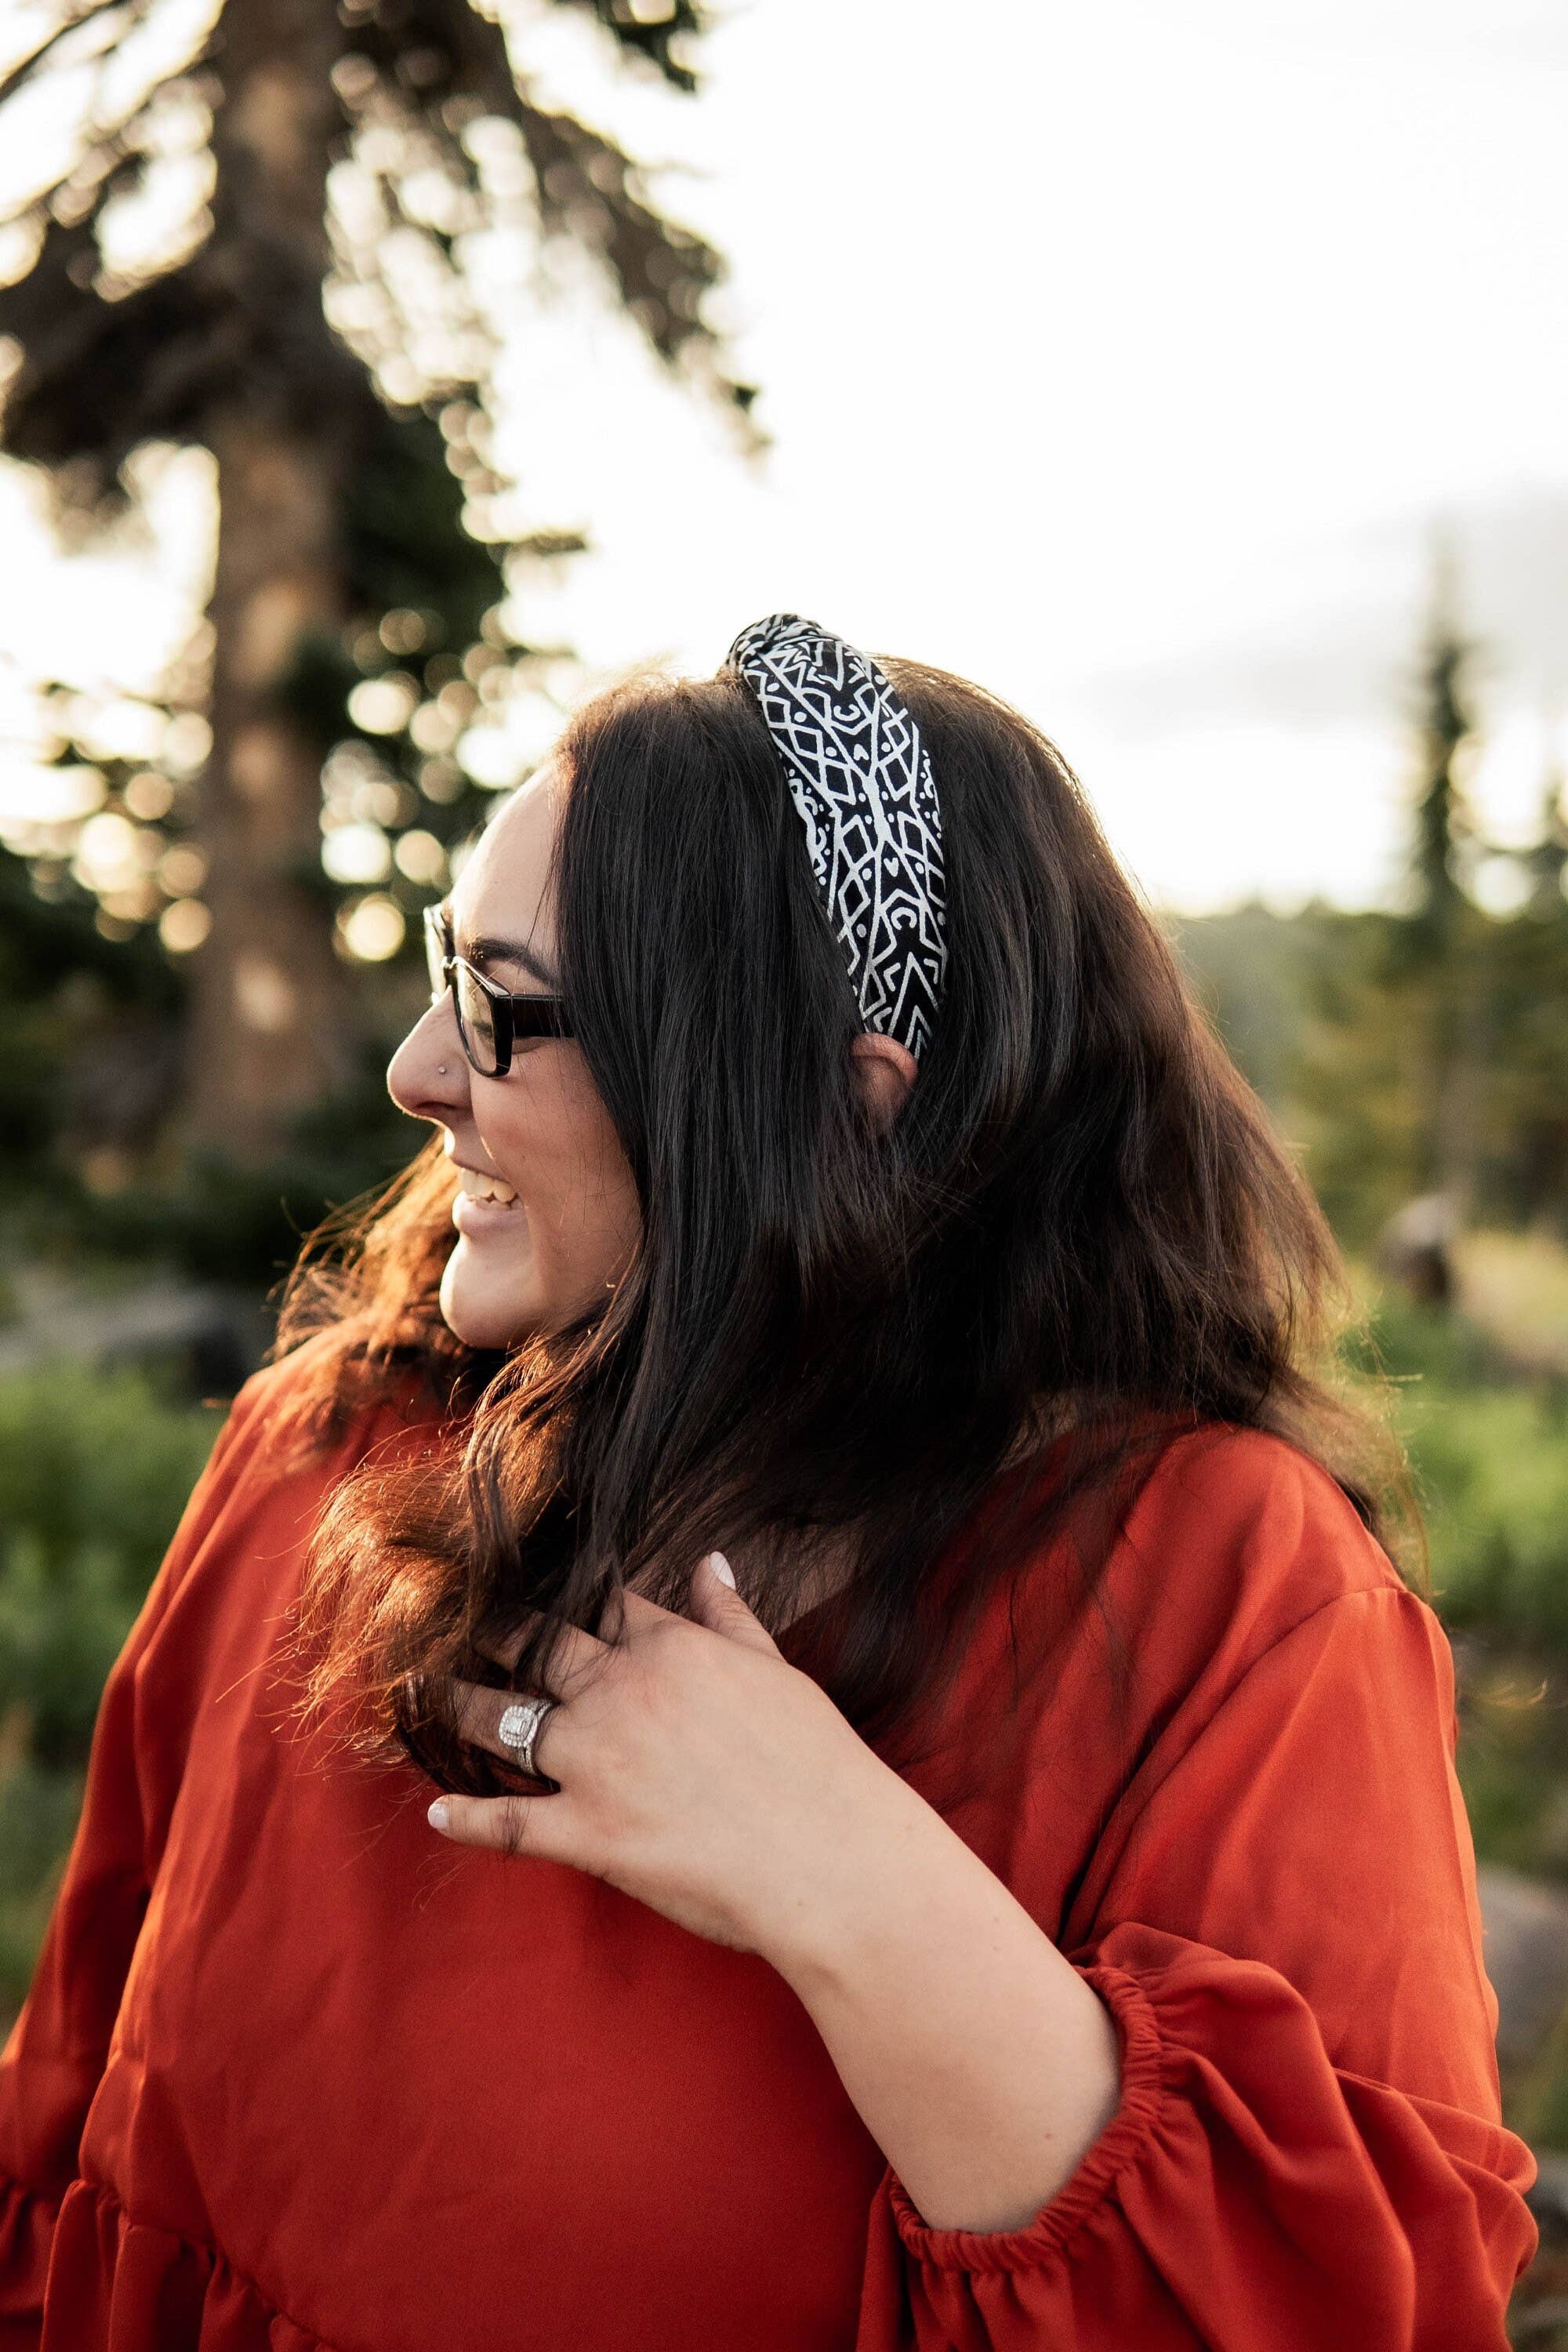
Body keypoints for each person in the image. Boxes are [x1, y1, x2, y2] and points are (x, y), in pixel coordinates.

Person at [0, 615, 1536, 2350]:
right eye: (445, 972)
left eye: (502, 1010)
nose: (417, 1071)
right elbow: (62, 2125)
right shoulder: (321, 1459)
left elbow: (1327, 2312)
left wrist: (845, 1880)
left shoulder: (1227, 1603)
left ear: (837, 1108)